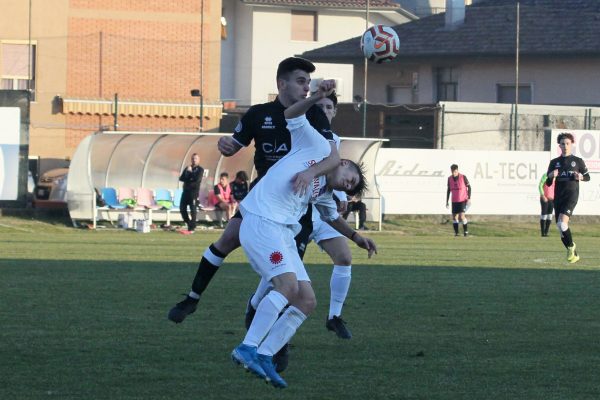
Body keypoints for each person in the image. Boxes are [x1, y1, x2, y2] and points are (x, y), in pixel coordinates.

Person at [167, 57, 339, 329]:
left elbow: (332, 157)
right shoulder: (259, 114)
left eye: (308, 82)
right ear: (281, 83)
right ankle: (192, 297)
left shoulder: (314, 114)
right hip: (263, 197)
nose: (306, 87)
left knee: (286, 275)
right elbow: (234, 144)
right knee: (226, 241)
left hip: (296, 203)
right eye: (300, 81)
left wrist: (310, 173)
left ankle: (263, 321)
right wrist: (227, 145)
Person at [231, 80, 377, 388]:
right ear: (344, 162)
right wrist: (316, 98)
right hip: (260, 221)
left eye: (350, 187)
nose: (348, 185)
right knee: (286, 286)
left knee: (307, 300)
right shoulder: (316, 145)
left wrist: (355, 237)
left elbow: (331, 217)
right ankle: (247, 347)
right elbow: (291, 116)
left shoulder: (324, 190)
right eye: (350, 178)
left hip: (281, 232)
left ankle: (266, 355)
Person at [245, 92, 356, 340]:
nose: (325, 110)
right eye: (320, 106)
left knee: (344, 257)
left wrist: (344, 204)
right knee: (286, 275)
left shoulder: (334, 140)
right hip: (293, 214)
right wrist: (309, 174)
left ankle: (334, 317)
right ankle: (256, 311)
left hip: (321, 209)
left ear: (335, 112)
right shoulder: (302, 133)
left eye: (329, 106)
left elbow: (338, 175)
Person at [546, 132, 590, 263]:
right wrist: (550, 176)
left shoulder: (577, 161)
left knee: (562, 223)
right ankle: (573, 252)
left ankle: (571, 247)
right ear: (559, 145)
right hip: (558, 197)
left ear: (571, 144)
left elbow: (588, 177)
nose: (565, 146)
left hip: (571, 196)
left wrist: (581, 177)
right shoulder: (554, 162)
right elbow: (548, 183)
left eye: (567, 143)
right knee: (561, 228)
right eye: (562, 144)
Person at [178, 153, 204, 234]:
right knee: (182, 208)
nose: (194, 160)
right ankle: (189, 223)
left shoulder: (200, 169)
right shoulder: (187, 168)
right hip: (185, 191)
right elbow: (181, 178)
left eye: (196, 158)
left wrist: (190, 173)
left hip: (193, 192)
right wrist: (188, 173)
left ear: (198, 160)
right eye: (193, 158)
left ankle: (192, 228)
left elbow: (196, 179)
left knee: (193, 209)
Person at [446, 164, 471, 237]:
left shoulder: (463, 177)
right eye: (452, 171)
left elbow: (469, 187)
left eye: (455, 171)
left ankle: (466, 232)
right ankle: (456, 233)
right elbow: (448, 190)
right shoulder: (449, 179)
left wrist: (469, 197)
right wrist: (446, 201)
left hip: (463, 200)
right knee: (454, 217)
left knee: (462, 217)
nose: (454, 173)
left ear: (457, 170)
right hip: (454, 201)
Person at [538, 171, 555, 237]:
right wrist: (542, 195)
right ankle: (543, 233)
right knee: (544, 215)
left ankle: (546, 232)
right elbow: (540, 185)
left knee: (550, 215)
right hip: (545, 198)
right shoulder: (545, 175)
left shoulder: (556, 178)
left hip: (552, 199)